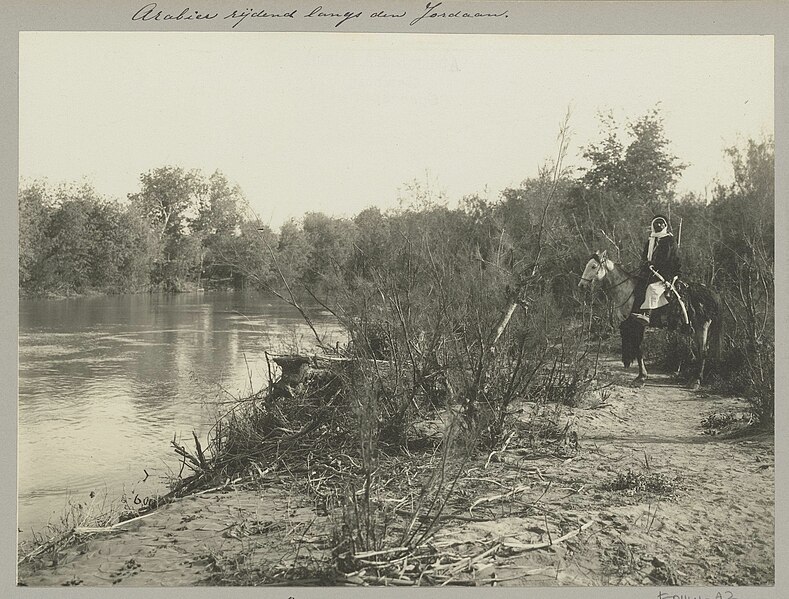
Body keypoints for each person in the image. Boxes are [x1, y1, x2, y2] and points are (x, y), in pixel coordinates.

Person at [632, 215, 681, 325]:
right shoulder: (651, 240)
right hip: (650, 271)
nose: (658, 225)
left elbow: (670, 258)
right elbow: (645, 256)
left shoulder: (670, 241)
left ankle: (647, 315)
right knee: (638, 286)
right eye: (656, 223)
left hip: (665, 273)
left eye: (661, 223)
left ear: (665, 225)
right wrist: (646, 264)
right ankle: (636, 311)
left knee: (652, 288)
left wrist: (656, 265)